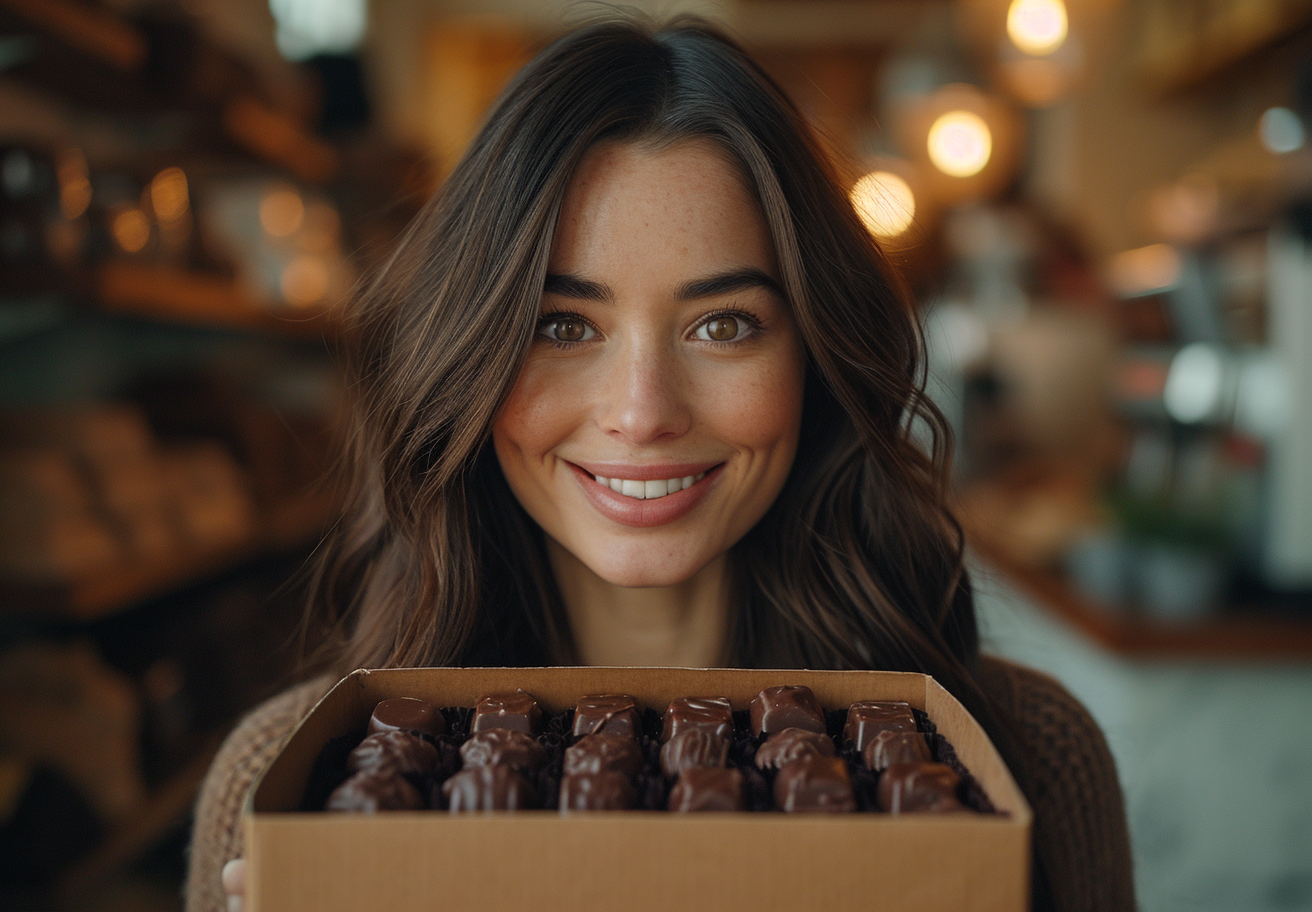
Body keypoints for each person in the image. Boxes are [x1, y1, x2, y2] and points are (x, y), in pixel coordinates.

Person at [188, 17, 1135, 912]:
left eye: (723, 325)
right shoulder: (280, 787)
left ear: (817, 353)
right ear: (465, 355)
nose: (642, 414)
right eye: (562, 326)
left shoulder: (1031, 759)